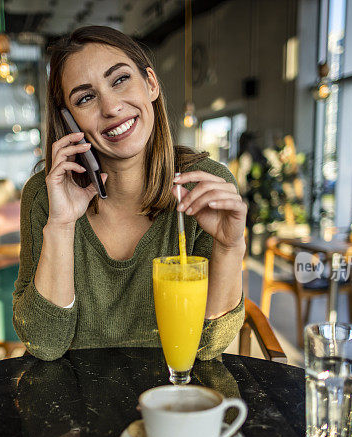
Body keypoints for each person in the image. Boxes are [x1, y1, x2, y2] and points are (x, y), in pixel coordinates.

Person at [13, 26, 246, 361]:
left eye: (120, 79)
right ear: (69, 119)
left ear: (150, 84)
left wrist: (229, 247)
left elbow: (207, 347)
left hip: (174, 400)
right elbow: (44, 344)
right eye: (85, 98)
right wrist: (61, 226)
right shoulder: (45, 195)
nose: (111, 107)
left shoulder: (204, 184)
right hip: (74, 405)